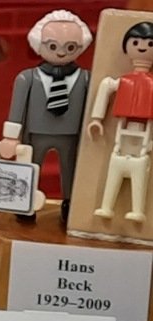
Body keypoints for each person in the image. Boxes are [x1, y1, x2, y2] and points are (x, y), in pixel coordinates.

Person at [0, 10, 93, 223]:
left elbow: (92, 107)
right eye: (52, 46)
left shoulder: (86, 79)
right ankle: (24, 203)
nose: (61, 52)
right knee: (29, 168)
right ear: (38, 44)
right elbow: (17, 108)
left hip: (71, 135)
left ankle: (70, 204)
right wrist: (11, 136)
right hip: (35, 134)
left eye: (70, 47)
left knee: (71, 171)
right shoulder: (27, 78)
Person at [88, 21, 153, 223]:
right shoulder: (124, 81)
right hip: (120, 143)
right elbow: (106, 87)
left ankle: (137, 211)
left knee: (140, 174)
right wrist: (96, 118)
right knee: (114, 170)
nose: (142, 47)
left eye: (150, 44)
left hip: (143, 144)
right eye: (136, 42)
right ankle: (106, 207)